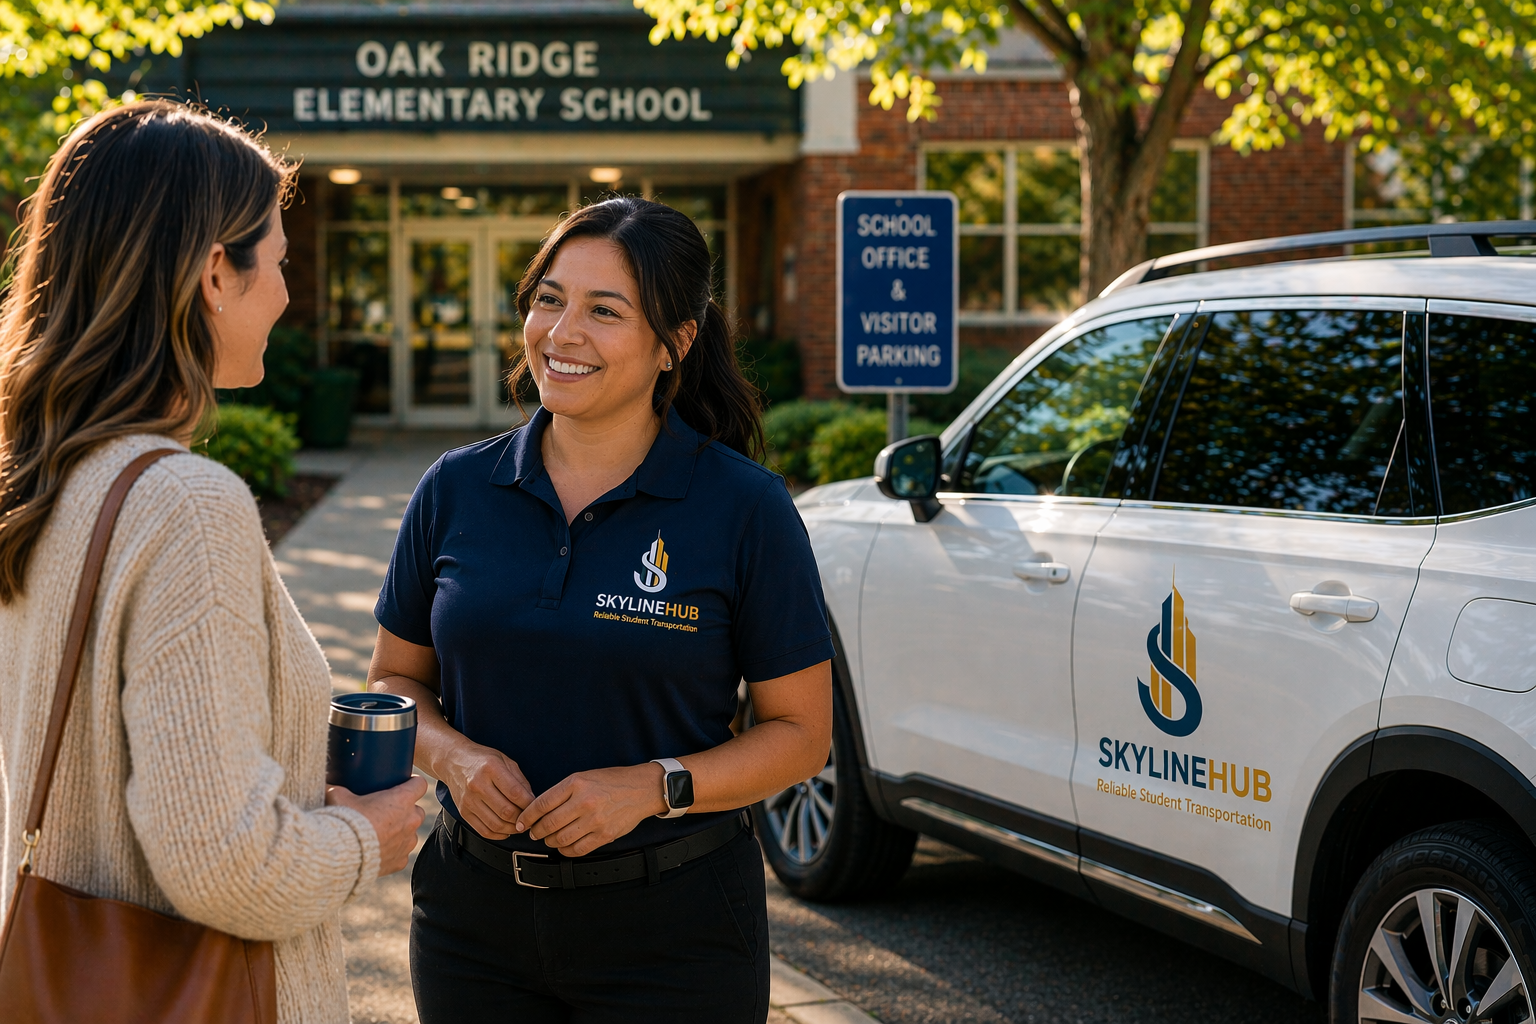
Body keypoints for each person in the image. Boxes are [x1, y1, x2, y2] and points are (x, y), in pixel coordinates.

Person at [0, 101, 426, 1022]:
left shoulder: (42, 479)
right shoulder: (185, 507)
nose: (283, 289)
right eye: (275, 260)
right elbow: (225, 866)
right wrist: (366, 835)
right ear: (211, 275)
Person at [369, 196, 835, 1023]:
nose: (562, 332)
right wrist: (453, 760)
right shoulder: (456, 489)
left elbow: (801, 736)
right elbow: (397, 685)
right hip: (471, 924)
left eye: (604, 311)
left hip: (675, 933)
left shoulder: (744, 508)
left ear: (674, 345)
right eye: (549, 299)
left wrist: (657, 787)